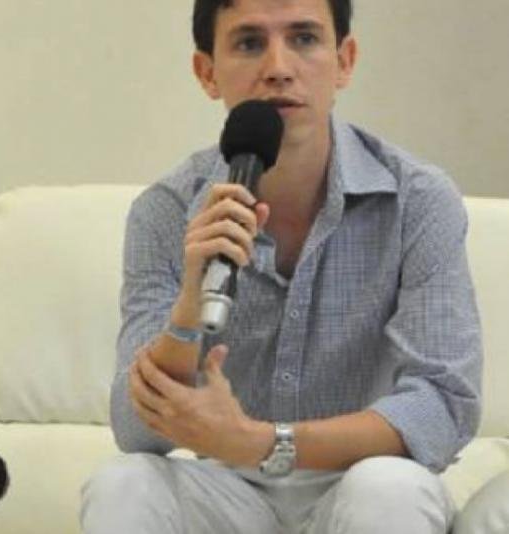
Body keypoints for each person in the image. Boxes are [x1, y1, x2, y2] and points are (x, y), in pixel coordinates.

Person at [80, 0, 482, 532]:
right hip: (227, 490)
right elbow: (135, 432)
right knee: (123, 482)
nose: (278, 67)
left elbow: (443, 405)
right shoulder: (167, 210)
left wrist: (262, 442)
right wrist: (189, 305)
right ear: (207, 72)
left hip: (355, 479)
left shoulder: (418, 199)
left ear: (344, 61)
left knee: (390, 487)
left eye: (304, 39)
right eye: (249, 43)